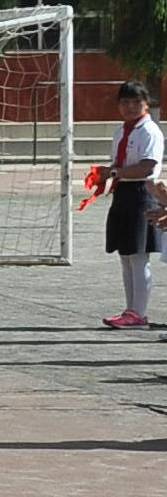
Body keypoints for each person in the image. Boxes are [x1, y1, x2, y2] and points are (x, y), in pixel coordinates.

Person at [92, 80, 160, 331]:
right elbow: (118, 164)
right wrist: (105, 173)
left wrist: (116, 173)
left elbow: (147, 166)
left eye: (136, 102)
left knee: (139, 256)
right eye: (125, 102)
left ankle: (139, 312)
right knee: (126, 255)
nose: (130, 107)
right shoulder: (122, 131)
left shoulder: (149, 131)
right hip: (124, 192)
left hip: (142, 192)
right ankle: (130, 308)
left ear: (146, 103)